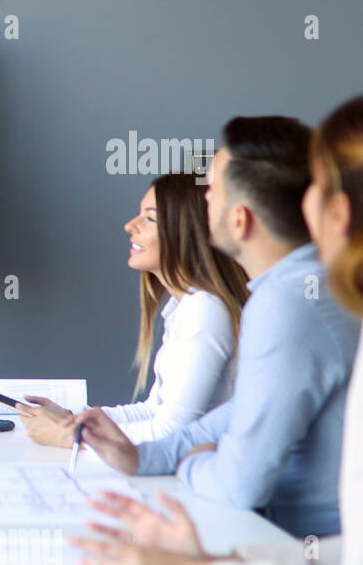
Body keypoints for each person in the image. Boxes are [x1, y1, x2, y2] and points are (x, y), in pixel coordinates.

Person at [70, 95, 363, 565]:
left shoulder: (288, 302)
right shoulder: (293, 290)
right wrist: (146, 457)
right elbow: (233, 421)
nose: (201, 206)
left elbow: (241, 480)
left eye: (213, 193)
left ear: (240, 217)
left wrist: (189, 466)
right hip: (293, 558)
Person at [21, 174, 248, 446]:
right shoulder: (184, 308)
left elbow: (171, 433)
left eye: (149, 218)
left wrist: (73, 438)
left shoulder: (205, 312)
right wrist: (74, 418)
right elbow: (152, 411)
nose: (130, 226)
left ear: (187, 232)